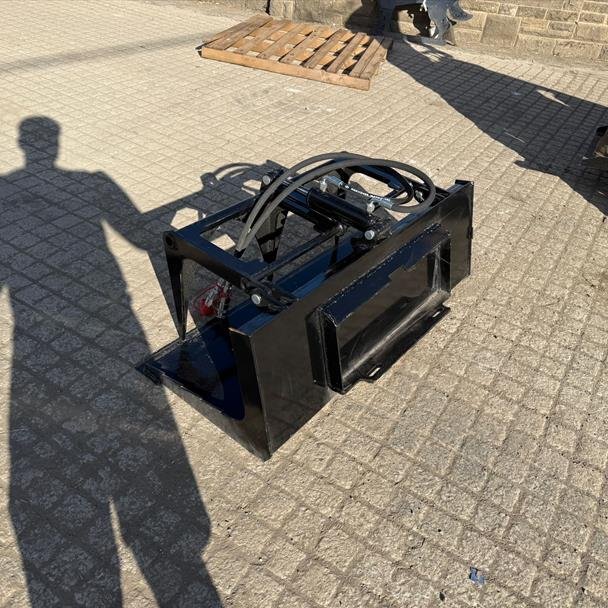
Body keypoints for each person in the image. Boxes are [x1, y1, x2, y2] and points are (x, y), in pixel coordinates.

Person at [1, 116, 221, 607]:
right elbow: (141, 235)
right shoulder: (93, 181)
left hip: (34, 331)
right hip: (111, 311)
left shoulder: (7, 188)